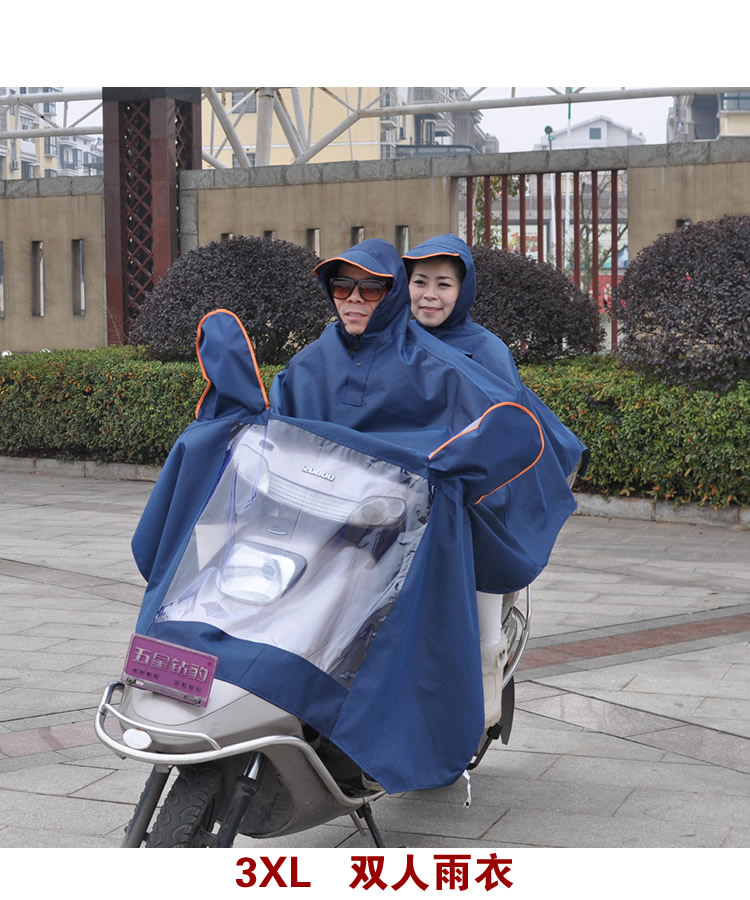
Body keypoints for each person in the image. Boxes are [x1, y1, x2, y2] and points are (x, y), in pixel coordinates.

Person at [404, 233, 590, 724]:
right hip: (401, 483)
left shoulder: (486, 349)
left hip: (473, 482)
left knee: (479, 532)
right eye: (419, 281)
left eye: (443, 284)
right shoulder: (390, 337)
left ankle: (489, 652)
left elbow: (500, 425)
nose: (429, 294)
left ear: (462, 290)